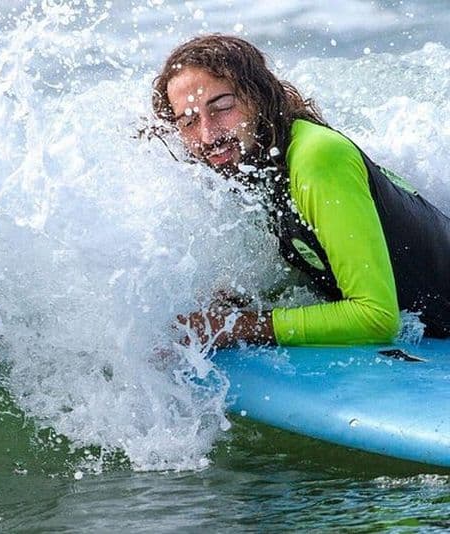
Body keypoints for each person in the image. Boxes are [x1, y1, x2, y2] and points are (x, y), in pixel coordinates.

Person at [151, 34, 450, 347]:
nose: (208, 134)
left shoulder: (318, 159)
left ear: (258, 98)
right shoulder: (258, 163)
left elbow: (376, 317)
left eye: (223, 107)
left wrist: (236, 327)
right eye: (188, 121)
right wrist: (232, 304)